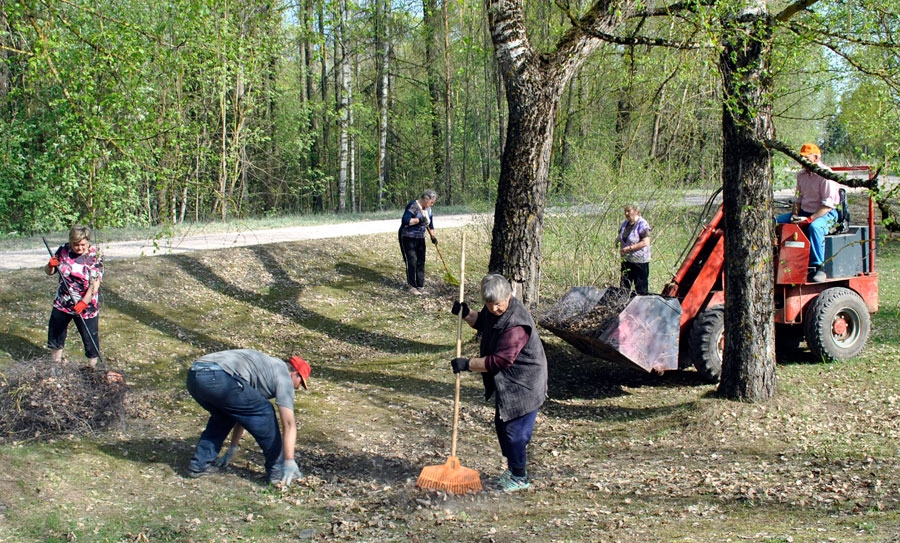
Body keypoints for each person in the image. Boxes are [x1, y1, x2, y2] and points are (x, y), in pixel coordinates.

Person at [450, 274, 548, 493]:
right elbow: (484, 322)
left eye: (498, 304)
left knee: (515, 433)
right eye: (489, 304)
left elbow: (501, 360)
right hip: (508, 382)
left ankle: (519, 477)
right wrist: (467, 314)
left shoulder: (516, 324)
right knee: (503, 427)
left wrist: (468, 364)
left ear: (509, 296)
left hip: (525, 383)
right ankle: (513, 469)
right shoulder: (495, 310)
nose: (494, 309)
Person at [186, 349, 311, 486]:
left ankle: (199, 465)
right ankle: (277, 472)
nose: (297, 388)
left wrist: (232, 448)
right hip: (218, 376)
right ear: (295, 374)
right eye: (300, 382)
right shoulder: (284, 377)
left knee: (224, 416)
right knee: (265, 412)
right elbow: (289, 424)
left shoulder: (265, 369)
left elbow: (243, 413)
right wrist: (289, 461)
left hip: (195, 375)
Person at [776, 143, 841, 283]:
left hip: (826, 214)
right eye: (801, 158)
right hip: (804, 212)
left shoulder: (826, 176)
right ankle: (776, 260)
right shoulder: (801, 176)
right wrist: (795, 215)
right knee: (776, 222)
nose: (802, 161)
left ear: (816, 158)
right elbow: (797, 199)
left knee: (815, 227)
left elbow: (828, 205)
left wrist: (809, 219)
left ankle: (818, 267)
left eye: (806, 158)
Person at [45, 225, 104, 367]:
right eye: (76, 244)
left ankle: (92, 367)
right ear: (71, 241)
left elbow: (94, 284)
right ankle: (55, 364)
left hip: (86, 306)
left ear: (88, 241)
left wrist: (84, 302)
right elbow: (49, 272)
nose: (79, 248)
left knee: (90, 338)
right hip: (63, 302)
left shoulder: (94, 256)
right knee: (56, 334)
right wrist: (50, 265)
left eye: (83, 244)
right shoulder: (63, 250)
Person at [399, 189, 438, 295]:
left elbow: (430, 225)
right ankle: (412, 286)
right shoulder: (413, 205)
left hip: (420, 237)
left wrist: (433, 237)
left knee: (421, 261)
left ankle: (420, 286)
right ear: (426, 199)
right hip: (407, 237)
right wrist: (419, 220)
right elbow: (405, 220)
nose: (432, 204)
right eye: (431, 202)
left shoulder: (428, 210)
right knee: (412, 261)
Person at [615, 205, 651, 295]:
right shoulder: (625, 224)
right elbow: (620, 236)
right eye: (625, 212)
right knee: (624, 285)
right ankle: (624, 302)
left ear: (636, 211)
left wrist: (630, 248)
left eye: (629, 211)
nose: (626, 214)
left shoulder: (642, 224)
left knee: (640, 287)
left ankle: (642, 302)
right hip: (627, 260)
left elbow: (646, 242)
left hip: (639, 261)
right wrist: (616, 244)